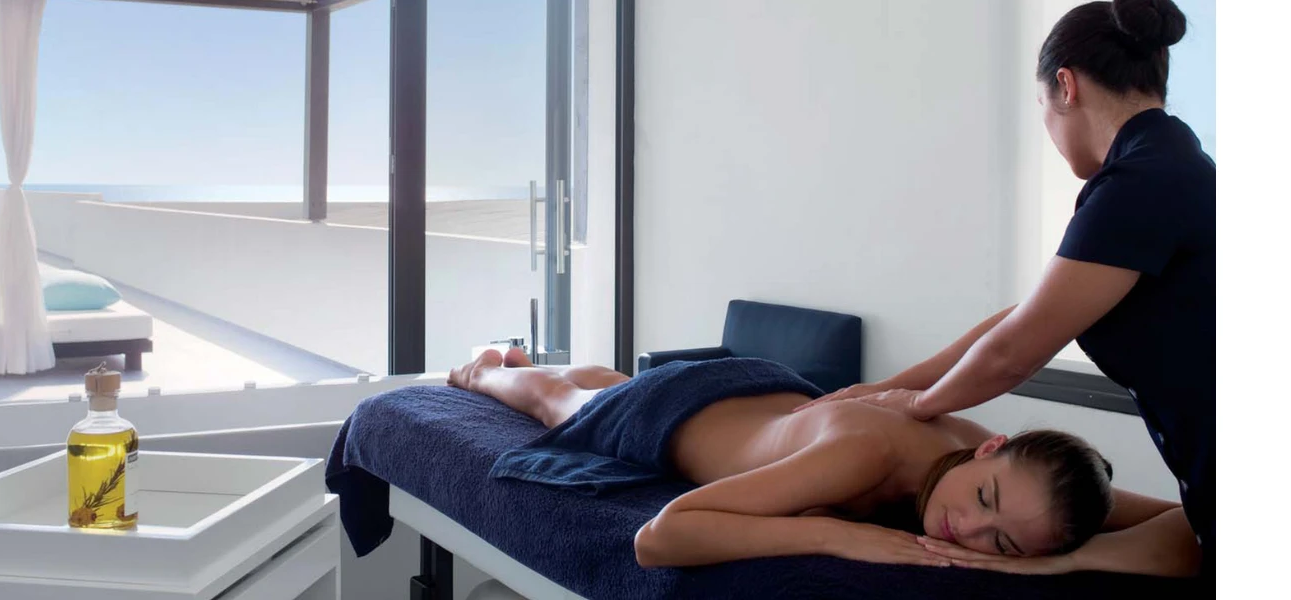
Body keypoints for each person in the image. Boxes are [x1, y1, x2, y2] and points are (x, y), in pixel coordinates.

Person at [793, 0, 1213, 579]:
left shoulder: (1142, 184)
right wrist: (886, 388)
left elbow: (1015, 351)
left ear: (1064, 87)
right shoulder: (1167, 166)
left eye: (1040, 105)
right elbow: (1022, 321)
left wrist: (917, 405)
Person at [447, 349, 1196, 575]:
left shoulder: (1034, 484)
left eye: (998, 542)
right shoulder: (865, 456)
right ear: (990, 445)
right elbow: (660, 538)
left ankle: (570, 368)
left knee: (609, 381)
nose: (965, 526)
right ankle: (487, 369)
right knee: (559, 404)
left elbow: (1196, 531)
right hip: (677, 414)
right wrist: (838, 535)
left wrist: (1050, 565)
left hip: (770, 398)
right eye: (987, 498)